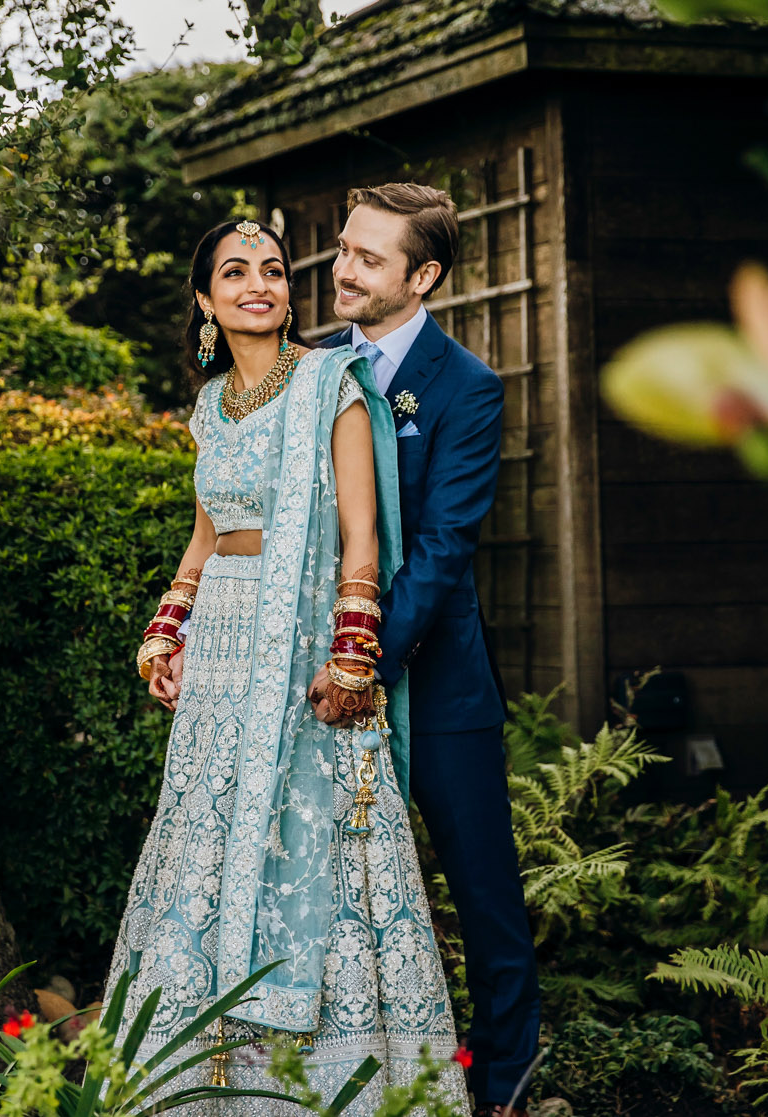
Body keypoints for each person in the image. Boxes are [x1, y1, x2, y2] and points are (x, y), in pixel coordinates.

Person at [108, 217, 470, 1114]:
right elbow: (205, 537)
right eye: (235, 273)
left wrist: (353, 652)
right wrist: (167, 627)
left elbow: (361, 533)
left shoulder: (330, 385)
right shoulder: (209, 407)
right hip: (223, 653)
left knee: (315, 845)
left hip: (305, 648)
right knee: (211, 838)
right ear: (206, 300)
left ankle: (329, 1081)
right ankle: (202, 1079)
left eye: (271, 269)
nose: (258, 284)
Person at [321, 184, 542, 1117]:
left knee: (484, 896)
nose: (342, 269)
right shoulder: (312, 369)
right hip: (321, 684)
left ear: (424, 276)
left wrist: (364, 657)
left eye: (369, 258)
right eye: (342, 248)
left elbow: (447, 545)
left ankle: (502, 1089)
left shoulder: (466, 387)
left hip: (438, 685)